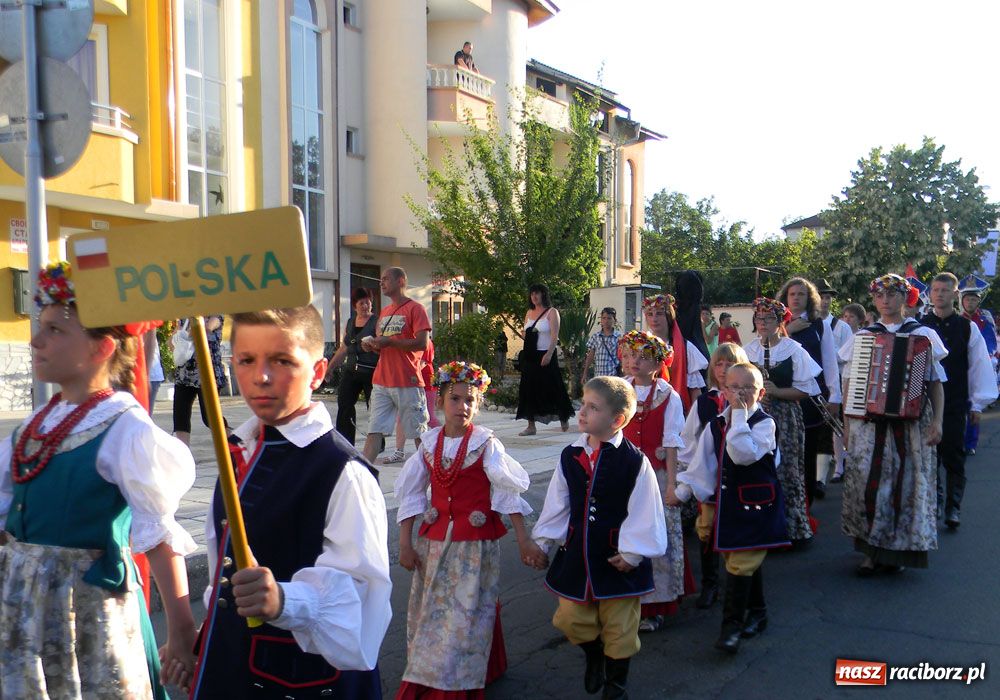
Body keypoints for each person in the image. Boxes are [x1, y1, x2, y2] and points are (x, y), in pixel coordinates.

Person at [0, 261, 197, 698]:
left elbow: (158, 535)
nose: (36, 341)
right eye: (41, 327)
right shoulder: (36, 425)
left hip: (85, 611)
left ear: (101, 348)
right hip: (25, 607)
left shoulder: (124, 428)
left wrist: (182, 632)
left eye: (55, 330)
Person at [186, 306, 392, 698]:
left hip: (302, 681)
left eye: (281, 361)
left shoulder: (341, 470)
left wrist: (285, 600)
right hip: (232, 669)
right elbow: (223, 570)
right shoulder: (240, 452)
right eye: (246, 360)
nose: (261, 377)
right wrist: (206, 636)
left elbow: (365, 607)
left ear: (317, 371)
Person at [395, 362, 534, 698]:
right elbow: (411, 493)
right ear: (440, 400)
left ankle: (456, 681)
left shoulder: (486, 443)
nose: (463, 407)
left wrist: (523, 539)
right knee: (434, 610)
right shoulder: (428, 444)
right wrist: (405, 543)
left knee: (468, 611)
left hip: (474, 547)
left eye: (470, 400)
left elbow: (505, 493)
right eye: (455, 399)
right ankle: (432, 671)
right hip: (434, 544)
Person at [530, 376, 667, 700]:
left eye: (593, 408)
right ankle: (594, 655)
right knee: (571, 618)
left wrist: (633, 552)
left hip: (618, 558)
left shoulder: (634, 460)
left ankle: (616, 686)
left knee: (620, 628)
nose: (582, 412)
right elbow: (558, 503)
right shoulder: (569, 456)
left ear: (617, 420)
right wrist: (544, 540)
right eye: (584, 403)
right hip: (577, 555)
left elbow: (645, 508)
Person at [669, 363, 789, 654]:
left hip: (756, 507)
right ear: (723, 391)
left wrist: (739, 416)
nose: (740, 393)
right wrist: (682, 491)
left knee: (742, 562)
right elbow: (702, 465)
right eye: (734, 387)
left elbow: (743, 454)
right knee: (741, 558)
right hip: (729, 505)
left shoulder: (764, 423)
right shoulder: (715, 425)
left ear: (760, 393)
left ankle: (731, 627)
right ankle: (758, 612)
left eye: (747, 388)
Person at [841, 274, 946, 576]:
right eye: (879, 295)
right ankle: (870, 553)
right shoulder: (863, 336)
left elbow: (936, 383)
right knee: (868, 484)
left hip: (911, 425)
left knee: (906, 485)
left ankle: (898, 551)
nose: (885, 301)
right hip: (868, 424)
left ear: (905, 297)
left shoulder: (923, 334)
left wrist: (937, 420)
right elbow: (850, 383)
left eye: (892, 294)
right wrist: (848, 423)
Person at [617, 331, 689, 634]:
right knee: (626, 533)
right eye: (630, 356)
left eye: (643, 358)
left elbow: (672, 442)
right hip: (625, 476)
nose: (635, 362)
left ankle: (655, 605)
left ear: (658, 363)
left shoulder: (668, 396)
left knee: (656, 535)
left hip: (656, 476)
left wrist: (672, 484)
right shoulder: (621, 391)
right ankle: (623, 599)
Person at [743, 297, 822, 545]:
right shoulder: (748, 351)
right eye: (759, 318)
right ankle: (760, 527)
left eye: (769, 318)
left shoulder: (793, 350)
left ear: (780, 322)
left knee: (786, 469)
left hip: (785, 417)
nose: (763, 323)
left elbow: (806, 390)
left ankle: (791, 528)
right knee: (758, 469)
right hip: (755, 417)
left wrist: (776, 391)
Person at [921, 273, 997, 529]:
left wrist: (976, 403)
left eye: (944, 290)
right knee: (928, 457)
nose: (939, 294)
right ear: (930, 293)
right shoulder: (920, 326)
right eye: (935, 289)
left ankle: (953, 507)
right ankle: (934, 502)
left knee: (954, 456)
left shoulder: (967, 327)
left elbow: (977, 366)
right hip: (923, 403)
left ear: (955, 294)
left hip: (955, 400)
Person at [679, 342, 750, 610]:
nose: (723, 369)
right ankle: (710, 585)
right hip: (709, 476)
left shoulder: (749, 400)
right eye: (718, 364)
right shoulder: (704, 402)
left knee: (737, 530)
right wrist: (689, 475)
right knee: (706, 529)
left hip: (739, 478)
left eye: (729, 364)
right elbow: (688, 440)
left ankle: (738, 588)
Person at [778, 278, 841, 507]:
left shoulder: (819, 324)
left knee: (808, 451)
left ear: (809, 298)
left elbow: (830, 362)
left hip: (811, 398)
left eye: (801, 294)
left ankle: (806, 506)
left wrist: (835, 396)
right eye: (792, 294)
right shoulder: (774, 324)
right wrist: (787, 331)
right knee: (783, 453)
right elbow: (764, 354)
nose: (796, 298)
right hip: (780, 396)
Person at [361, 267, 432, 463]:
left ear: (400, 281)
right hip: (382, 381)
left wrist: (390, 342)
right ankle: (364, 478)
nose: (381, 283)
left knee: (419, 434)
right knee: (374, 431)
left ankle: (436, 479)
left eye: (385, 279)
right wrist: (372, 346)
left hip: (407, 381)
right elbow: (383, 347)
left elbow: (421, 343)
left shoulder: (416, 308)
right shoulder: (384, 312)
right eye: (380, 280)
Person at [516, 283, 573, 435]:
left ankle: (563, 416)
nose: (534, 296)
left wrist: (548, 354)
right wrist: (527, 333)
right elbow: (525, 332)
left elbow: (554, 337)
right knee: (528, 388)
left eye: (537, 293)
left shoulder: (552, 312)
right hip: (530, 354)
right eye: (532, 293)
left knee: (553, 386)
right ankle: (531, 425)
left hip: (546, 353)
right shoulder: (529, 312)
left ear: (543, 295)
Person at [814, 279, 853, 499]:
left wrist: (831, 354)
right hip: (812, 381)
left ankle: (834, 469)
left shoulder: (841, 326)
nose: (825, 301)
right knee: (816, 430)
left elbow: (848, 358)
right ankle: (817, 476)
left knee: (834, 426)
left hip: (835, 379)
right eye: (821, 296)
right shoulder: (808, 323)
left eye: (828, 297)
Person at [328, 287, 379, 445]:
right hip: (351, 370)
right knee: (344, 403)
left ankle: (377, 442)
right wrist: (329, 369)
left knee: (375, 408)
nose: (365, 306)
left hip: (371, 370)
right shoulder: (350, 322)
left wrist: (373, 346)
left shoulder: (377, 322)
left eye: (368, 302)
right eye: (361, 303)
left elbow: (383, 347)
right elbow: (343, 349)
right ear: (354, 306)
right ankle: (345, 441)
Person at [642, 294, 708, 411]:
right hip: (647, 410)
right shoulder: (641, 346)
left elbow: (695, 391)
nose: (654, 319)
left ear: (669, 316)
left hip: (677, 409)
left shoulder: (685, 347)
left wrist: (692, 421)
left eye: (659, 314)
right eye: (650, 314)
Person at [172, 314, 230, 446]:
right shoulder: (183, 316)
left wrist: (184, 333)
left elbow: (206, 329)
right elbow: (173, 343)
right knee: (180, 421)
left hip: (207, 374)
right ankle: (182, 458)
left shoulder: (215, 315)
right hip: (184, 374)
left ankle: (233, 443)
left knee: (210, 418)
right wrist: (176, 338)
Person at [384, 340, 440, 465]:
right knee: (401, 417)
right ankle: (399, 452)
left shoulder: (425, 341)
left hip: (425, 385)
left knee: (429, 418)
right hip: (407, 384)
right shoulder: (407, 340)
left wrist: (402, 374)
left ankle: (447, 441)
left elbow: (421, 364)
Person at [959, 282, 998, 456]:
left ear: (978, 302)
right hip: (960, 365)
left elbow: (990, 342)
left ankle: (970, 443)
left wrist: (988, 356)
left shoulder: (984, 320)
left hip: (978, 363)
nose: (970, 303)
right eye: (967, 299)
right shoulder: (958, 319)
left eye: (973, 299)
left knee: (973, 405)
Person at [582, 307, 623, 383]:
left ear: (614, 320)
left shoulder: (619, 337)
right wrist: (585, 373)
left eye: (609, 318)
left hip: (613, 377)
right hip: (599, 377)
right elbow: (590, 356)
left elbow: (622, 357)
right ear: (601, 320)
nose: (606, 321)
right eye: (604, 318)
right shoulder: (595, 337)